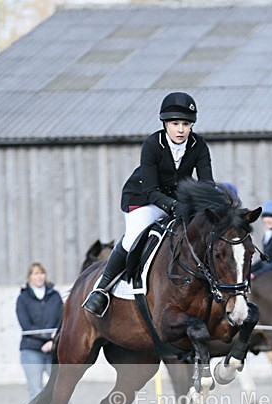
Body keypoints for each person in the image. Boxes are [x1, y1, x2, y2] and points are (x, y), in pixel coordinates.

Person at [83, 91, 214, 316]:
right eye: (175, 124)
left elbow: (207, 183)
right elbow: (151, 190)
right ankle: (102, 289)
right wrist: (174, 206)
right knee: (134, 235)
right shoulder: (152, 144)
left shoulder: (198, 145)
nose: (181, 129)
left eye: (186, 124)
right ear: (165, 123)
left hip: (179, 198)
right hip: (144, 199)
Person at [16, 262, 68, 404]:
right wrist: (46, 338)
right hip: (31, 350)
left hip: (53, 349)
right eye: (35, 274)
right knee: (36, 391)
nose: (39, 277)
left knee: (62, 390)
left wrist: (53, 342)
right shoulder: (23, 299)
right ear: (29, 277)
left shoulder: (55, 296)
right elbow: (26, 325)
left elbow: (63, 319)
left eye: (41, 273)